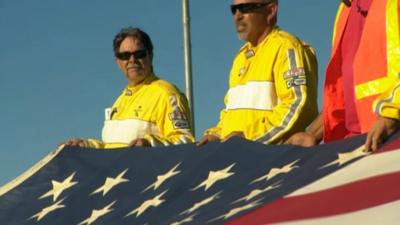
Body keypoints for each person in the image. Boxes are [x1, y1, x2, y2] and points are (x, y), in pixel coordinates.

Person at [198, 0, 318, 145]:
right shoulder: (241, 57)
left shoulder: (286, 47)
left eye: (245, 8)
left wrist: (249, 137)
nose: (237, 16)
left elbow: (297, 105)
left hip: (274, 159)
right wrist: (216, 134)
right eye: (234, 10)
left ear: (270, 11)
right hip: (240, 158)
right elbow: (232, 116)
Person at [286, 0, 400, 151]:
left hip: (390, 142)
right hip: (361, 146)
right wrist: (312, 134)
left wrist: (391, 115)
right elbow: (342, 97)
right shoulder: (345, 10)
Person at [64, 27, 194, 148]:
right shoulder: (120, 100)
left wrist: (150, 143)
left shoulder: (167, 94)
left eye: (139, 54)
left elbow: (185, 142)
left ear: (151, 55)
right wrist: (87, 145)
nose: (132, 60)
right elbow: (113, 149)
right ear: (118, 62)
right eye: (125, 56)